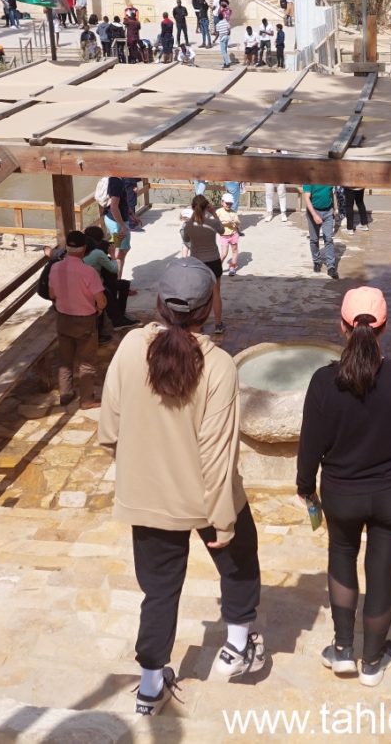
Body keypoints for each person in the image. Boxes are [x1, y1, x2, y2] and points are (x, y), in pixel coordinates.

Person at [97, 258, 265, 717]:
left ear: (158, 302)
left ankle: (151, 685)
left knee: (159, 590)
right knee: (239, 566)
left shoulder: (131, 346)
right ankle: (236, 646)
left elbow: (109, 429)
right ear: (209, 307)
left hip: (147, 498)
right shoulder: (219, 365)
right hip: (207, 498)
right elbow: (216, 451)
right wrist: (224, 519)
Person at [297, 286, 391, 687]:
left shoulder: (323, 382)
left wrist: (306, 487)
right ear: (385, 327)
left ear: (342, 327)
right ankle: (372, 662)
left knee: (341, 558)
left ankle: (343, 651)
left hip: (342, 495)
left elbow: (310, 444)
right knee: (382, 573)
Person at [48, 230, 107, 407]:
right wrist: (99, 309)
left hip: (63, 318)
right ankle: (87, 399)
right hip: (85, 320)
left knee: (65, 359)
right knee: (87, 361)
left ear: (67, 247)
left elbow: (52, 294)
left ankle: (66, 393)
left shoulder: (55, 268)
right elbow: (101, 301)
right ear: (84, 249)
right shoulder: (88, 272)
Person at [181, 194, 226, 334]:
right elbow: (222, 231)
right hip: (213, 260)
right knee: (216, 293)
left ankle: (198, 324)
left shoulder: (188, 225)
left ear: (192, 207)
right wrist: (214, 213)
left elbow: (185, 239)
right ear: (207, 207)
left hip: (197, 262)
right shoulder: (212, 222)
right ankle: (218, 324)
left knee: (198, 295)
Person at [96, 174, 136, 278]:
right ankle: (118, 283)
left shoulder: (114, 178)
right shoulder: (116, 182)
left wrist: (130, 213)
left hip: (112, 220)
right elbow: (114, 207)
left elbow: (121, 201)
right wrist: (122, 226)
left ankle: (114, 277)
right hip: (116, 223)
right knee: (121, 253)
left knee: (119, 248)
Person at [299, 182, 338, 278]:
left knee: (328, 238)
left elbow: (332, 194)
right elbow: (307, 198)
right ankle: (316, 261)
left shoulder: (330, 177)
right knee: (314, 239)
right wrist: (314, 215)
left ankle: (331, 266)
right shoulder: (309, 178)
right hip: (314, 210)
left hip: (328, 211)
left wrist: (335, 208)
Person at [216, 193, 243, 275]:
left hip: (233, 234)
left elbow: (238, 223)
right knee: (224, 253)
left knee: (235, 250)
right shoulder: (218, 212)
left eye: (230, 203)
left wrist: (236, 222)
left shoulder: (233, 212)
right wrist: (225, 223)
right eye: (227, 203)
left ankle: (232, 267)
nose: (228, 205)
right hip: (224, 236)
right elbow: (215, 222)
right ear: (222, 202)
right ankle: (217, 268)